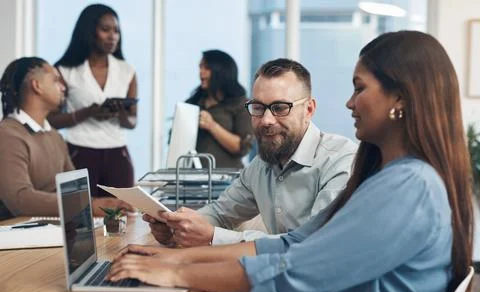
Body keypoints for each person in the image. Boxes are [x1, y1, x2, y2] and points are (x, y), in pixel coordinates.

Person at [107, 31, 474, 292]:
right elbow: (287, 244)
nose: (349, 102)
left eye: (359, 88)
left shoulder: (408, 188)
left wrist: (176, 274)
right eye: (259, 108)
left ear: (401, 99)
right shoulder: (385, 177)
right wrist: (175, 258)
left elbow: (292, 272)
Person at [146, 58, 357, 248]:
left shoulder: (340, 160)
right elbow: (220, 213)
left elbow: (315, 242)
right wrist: (177, 226)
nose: (266, 120)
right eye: (258, 107)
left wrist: (213, 236)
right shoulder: (261, 166)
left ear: (309, 110)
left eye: (280, 107)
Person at [0, 57, 133, 220]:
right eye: (56, 80)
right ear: (37, 86)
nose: (63, 87)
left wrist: (103, 204)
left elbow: (76, 191)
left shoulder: (55, 136)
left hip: (53, 228)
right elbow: (20, 199)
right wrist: (89, 205)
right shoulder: (7, 135)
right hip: (16, 235)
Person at [47, 4, 138, 197]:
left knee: (122, 217)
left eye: (116, 31)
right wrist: (88, 112)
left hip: (118, 155)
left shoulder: (127, 70)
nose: (112, 36)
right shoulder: (65, 70)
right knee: (79, 217)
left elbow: (132, 122)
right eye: (105, 30)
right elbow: (51, 120)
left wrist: (118, 112)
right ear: (89, 31)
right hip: (78, 154)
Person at [185, 49, 253, 169]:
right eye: (200, 67)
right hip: (193, 180)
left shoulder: (240, 104)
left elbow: (242, 147)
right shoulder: (193, 104)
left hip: (228, 180)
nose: (201, 72)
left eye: (206, 68)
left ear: (221, 72)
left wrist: (212, 126)